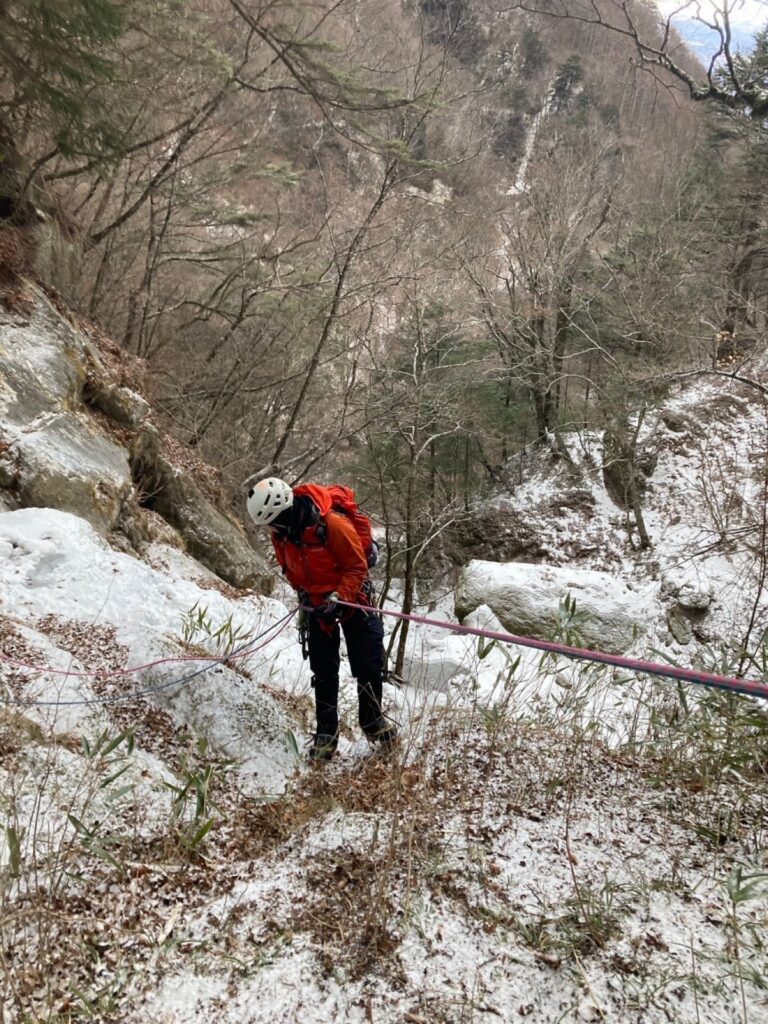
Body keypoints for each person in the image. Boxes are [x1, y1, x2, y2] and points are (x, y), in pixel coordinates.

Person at [246, 476, 397, 761]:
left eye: (268, 522)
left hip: (353, 597)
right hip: (316, 603)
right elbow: (290, 569)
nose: (268, 529)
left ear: (279, 514)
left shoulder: (332, 526)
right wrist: (308, 598)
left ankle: (372, 722)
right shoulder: (281, 534)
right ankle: (326, 735)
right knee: (323, 670)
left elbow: (357, 566)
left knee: (367, 664)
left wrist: (340, 598)